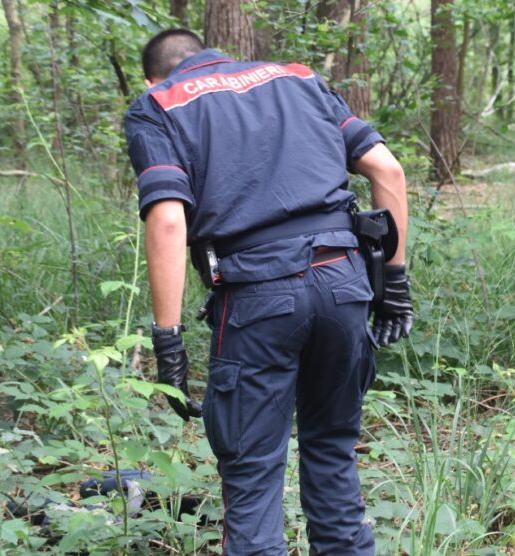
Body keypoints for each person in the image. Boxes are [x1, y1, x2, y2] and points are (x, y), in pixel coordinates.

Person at [126, 29, 414, 554]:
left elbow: (169, 220)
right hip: (344, 280)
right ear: (220, 57)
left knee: (252, 468)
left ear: (153, 76)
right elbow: (386, 168)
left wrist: (167, 339)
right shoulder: (299, 78)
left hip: (256, 295)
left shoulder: (158, 104)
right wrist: (393, 281)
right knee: (332, 447)